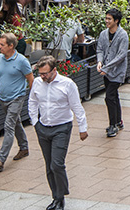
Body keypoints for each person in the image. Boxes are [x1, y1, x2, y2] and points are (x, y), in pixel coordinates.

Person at [28, 55, 89, 210]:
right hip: (43, 127)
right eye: (40, 74)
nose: (42, 77)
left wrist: (83, 128)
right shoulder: (37, 83)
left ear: (54, 70)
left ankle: (61, 196)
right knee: (48, 165)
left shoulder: (67, 84)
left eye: (45, 73)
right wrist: (35, 122)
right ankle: (56, 197)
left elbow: (77, 106)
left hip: (62, 127)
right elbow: (32, 102)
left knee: (57, 164)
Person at [0, 32, 33, 171]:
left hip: (17, 97)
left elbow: (30, 79)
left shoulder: (22, 61)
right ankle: (24, 148)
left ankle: (0, 160)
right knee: (16, 122)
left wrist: (34, 98)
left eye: (2, 45)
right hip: (3, 98)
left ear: (11, 46)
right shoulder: (0, 58)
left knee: (9, 126)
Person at [97, 7, 128, 137]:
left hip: (117, 72)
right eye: (106, 18)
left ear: (116, 20)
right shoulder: (103, 34)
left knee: (109, 97)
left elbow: (121, 55)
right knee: (114, 95)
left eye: (109, 19)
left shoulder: (123, 35)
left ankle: (113, 125)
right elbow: (100, 49)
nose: (106, 21)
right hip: (106, 72)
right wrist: (100, 62)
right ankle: (118, 121)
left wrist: (106, 68)